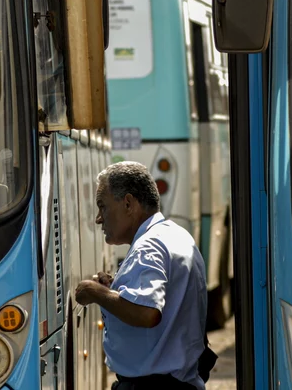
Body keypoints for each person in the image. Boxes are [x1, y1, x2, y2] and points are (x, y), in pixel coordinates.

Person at [74, 161, 214, 389]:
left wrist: (96, 292)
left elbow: (147, 313)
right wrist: (115, 290)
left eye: (103, 206)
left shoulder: (148, 247)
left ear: (128, 203)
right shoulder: (175, 235)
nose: (99, 218)